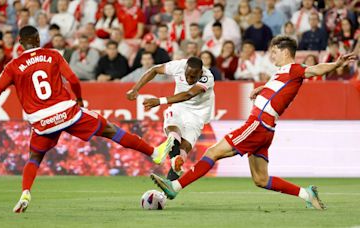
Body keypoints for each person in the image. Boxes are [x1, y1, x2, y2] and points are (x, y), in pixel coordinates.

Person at [0, 26, 174, 213]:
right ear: (38, 38)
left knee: (34, 157)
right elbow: (74, 79)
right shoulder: (52, 55)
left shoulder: (12, 66)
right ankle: (154, 153)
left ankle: (25, 192)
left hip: (41, 121)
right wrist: (78, 99)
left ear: (20, 42)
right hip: (67, 112)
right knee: (110, 130)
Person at [150, 35, 358, 210]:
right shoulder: (281, 73)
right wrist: (261, 89)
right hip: (266, 129)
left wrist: (337, 64)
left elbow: (315, 69)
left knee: (212, 152)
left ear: (284, 51)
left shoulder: (294, 68)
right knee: (260, 179)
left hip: (258, 123)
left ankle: (174, 187)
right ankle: (307, 194)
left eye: (274, 52)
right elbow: (278, 89)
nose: (271, 55)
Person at [127, 56, 215, 180]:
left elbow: (188, 94)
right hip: (179, 107)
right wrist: (135, 89)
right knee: (173, 128)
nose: (189, 79)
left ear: (200, 73)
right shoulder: (178, 65)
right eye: (187, 75)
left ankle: (177, 160)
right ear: (184, 68)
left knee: (185, 145)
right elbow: (155, 70)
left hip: (198, 113)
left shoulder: (208, 77)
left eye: (193, 77)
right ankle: (174, 170)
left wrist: (159, 101)